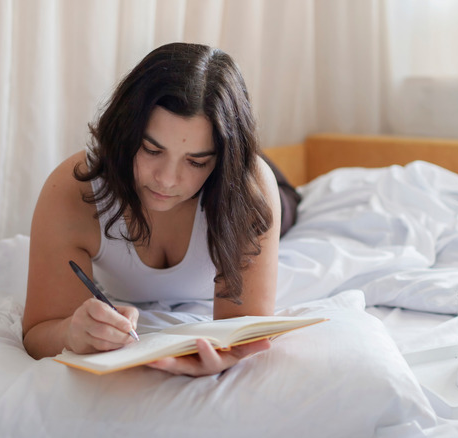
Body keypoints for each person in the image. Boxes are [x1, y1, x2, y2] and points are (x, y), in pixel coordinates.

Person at [21, 42, 287, 377]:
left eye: (196, 161)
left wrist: (227, 357)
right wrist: (71, 333)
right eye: (151, 149)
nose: (167, 180)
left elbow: (245, 330)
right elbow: (38, 332)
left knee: (284, 201)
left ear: (220, 162)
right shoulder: (73, 189)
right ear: (124, 132)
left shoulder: (250, 187)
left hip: (244, 192)